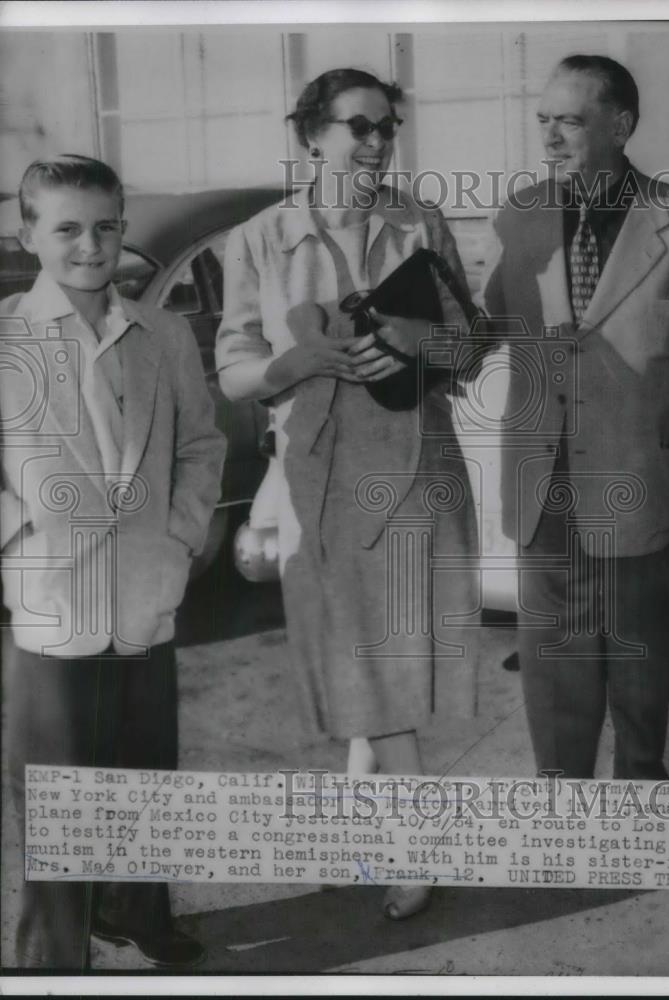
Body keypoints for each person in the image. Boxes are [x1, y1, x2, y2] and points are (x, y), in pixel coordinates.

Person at [216, 68, 480, 919]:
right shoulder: (258, 240)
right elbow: (233, 370)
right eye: (358, 127)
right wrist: (291, 366)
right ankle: (383, 842)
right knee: (360, 666)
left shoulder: (420, 223)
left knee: (382, 670)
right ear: (312, 136)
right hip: (316, 481)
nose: (375, 144)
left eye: (386, 129)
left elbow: (468, 347)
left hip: (413, 474)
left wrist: (417, 336)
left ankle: (398, 849)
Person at [481, 55, 669, 779]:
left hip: (639, 473)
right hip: (542, 478)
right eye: (543, 120)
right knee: (553, 654)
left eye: (569, 120)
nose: (549, 138)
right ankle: (564, 803)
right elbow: (484, 328)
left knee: (636, 647)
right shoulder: (518, 217)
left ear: (620, 125)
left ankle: (640, 791)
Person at [0, 155, 226, 968]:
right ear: (28, 235)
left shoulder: (160, 332)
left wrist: (181, 535)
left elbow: (202, 444)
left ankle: (137, 913)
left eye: (105, 226)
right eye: (65, 228)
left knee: (145, 775)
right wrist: (24, 536)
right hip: (53, 604)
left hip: (144, 595)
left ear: (123, 229)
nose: (89, 246)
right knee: (59, 795)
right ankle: (54, 958)